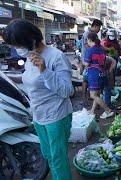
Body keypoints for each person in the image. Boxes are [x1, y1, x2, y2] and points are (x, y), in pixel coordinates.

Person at [3, 19, 74, 180]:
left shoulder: (56, 56)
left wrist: (45, 70)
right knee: (48, 155)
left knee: (57, 160)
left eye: (18, 45)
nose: (17, 49)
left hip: (56, 116)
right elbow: (29, 80)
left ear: (32, 40)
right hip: (39, 115)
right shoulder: (30, 56)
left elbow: (67, 91)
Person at [84, 32, 114, 118]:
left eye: (87, 40)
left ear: (89, 40)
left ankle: (107, 110)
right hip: (102, 74)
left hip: (94, 75)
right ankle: (92, 111)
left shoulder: (90, 50)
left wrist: (82, 62)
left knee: (93, 95)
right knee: (96, 94)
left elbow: (86, 64)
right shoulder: (101, 49)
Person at [81, 19, 103, 105]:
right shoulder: (87, 34)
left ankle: (92, 96)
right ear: (95, 26)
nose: (99, 30)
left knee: (90, 79)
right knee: (86, 79)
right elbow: (87, 46)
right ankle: (84, 97)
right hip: (86, 59)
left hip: (91, 61)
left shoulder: (93, 35)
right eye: (99, 27)